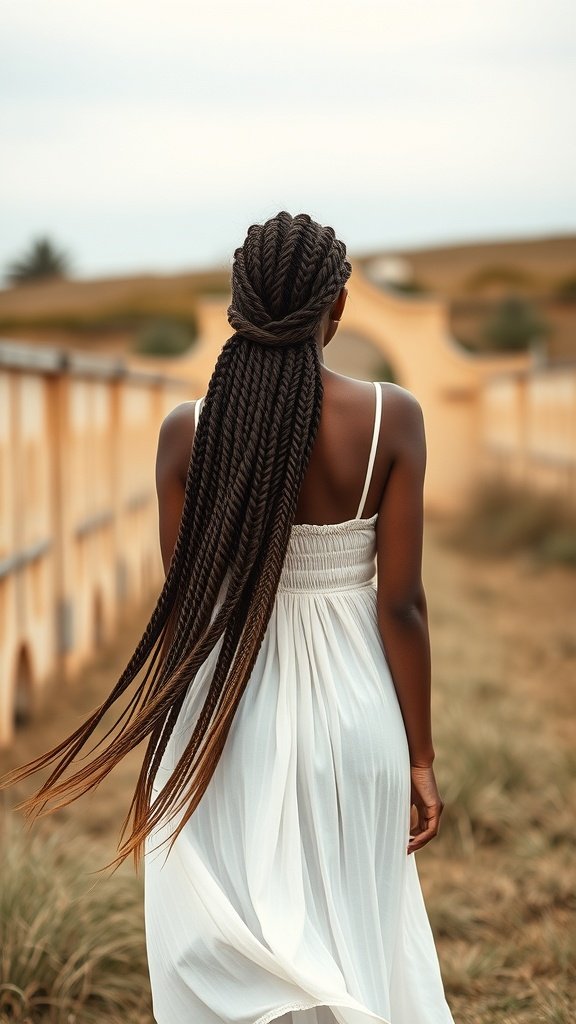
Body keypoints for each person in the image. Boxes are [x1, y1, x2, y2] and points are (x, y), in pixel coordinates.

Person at [2, 211, 455, 1024]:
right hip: (358, 722)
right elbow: (403, 605)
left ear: (236, 310)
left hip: (226, 719)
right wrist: (420, 757)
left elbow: (184, 611)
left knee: (241, 951)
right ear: (339, 307)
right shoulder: (394, 417)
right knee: (355, 938)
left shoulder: (190, 434)